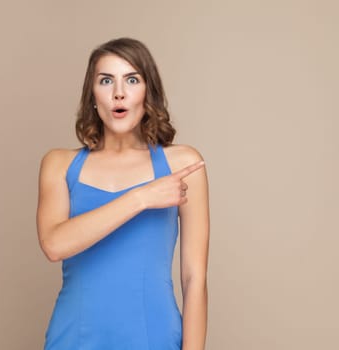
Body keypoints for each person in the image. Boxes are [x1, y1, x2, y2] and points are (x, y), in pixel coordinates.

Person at [36, 37, 209, 350]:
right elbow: (54, 244)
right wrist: (141, 198)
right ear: (93, 95)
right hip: (73, 337)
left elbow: (194, 279)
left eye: (132, 79)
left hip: (152, 337)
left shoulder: (184, 164)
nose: (119, 92)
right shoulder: (59, 164)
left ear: (148, 92)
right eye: (106, 80)